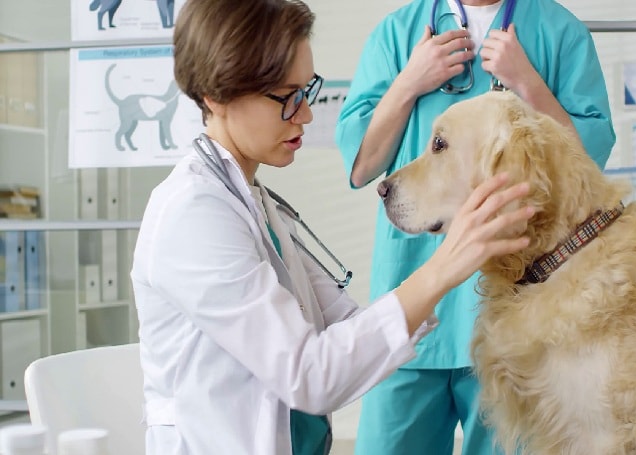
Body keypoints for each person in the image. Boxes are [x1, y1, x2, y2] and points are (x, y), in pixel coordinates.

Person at [130, 0, 535, 454]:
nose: (304, 115)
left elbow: (347, 327)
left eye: (308, 90)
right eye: (287, 97)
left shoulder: (254, 202)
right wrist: (443, 267)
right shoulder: (193, 216)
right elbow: (310, 375)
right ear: (216, 96)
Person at [335, 0, 616, 454]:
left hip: (521, 317)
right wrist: (410, 82)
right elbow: (362, 165)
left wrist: (529, 84)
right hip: (416, 306)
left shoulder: (558, 32)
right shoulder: (399, 34)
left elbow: (585, 168)